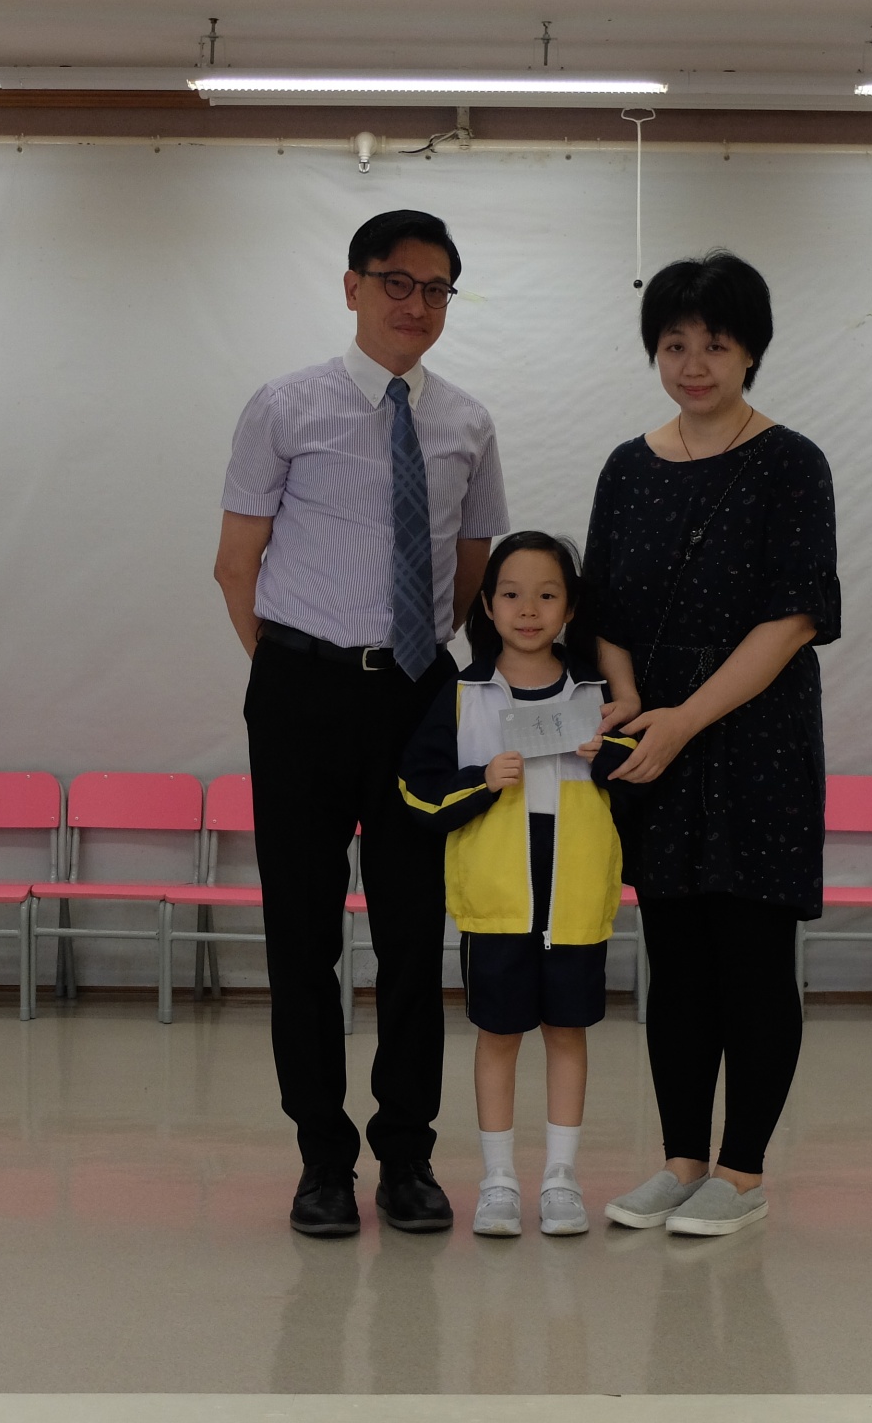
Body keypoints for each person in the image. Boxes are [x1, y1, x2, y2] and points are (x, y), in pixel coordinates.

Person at [213, 210, 509, 1237]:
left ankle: (409, 1157)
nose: (415, 304)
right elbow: (236, 565)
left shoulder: (468, 422)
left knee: (413, 940)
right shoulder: (283, 407)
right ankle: (321, 1162)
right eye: (396, 282)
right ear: (352, 287)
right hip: (302, 691)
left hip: (418, 701)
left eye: (435, 289)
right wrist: (293, 674)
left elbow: (473, 565)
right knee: (302, 941)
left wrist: (415, 663)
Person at [581, 250, 840, 1237]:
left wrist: (688, 716)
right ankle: (681, 1161)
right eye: (674, 345)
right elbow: (601, 608)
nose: (693, 365)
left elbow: (795, 617)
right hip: (654, 740)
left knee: (753, 959)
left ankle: (742, 1172)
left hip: (755, 733)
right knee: (675, 960)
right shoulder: (627, 466)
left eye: (715, 345)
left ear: (752, 353)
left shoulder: (792, 463)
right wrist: (630, 697)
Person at [397, 533, 636, 1237]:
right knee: (498, 1036)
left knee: (568, 1032)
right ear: (487, 604)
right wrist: (480, 781)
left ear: (570, 608)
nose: (528, 610)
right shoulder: (463, 693)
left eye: (547, 595)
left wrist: (606, 752)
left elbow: (642, 772)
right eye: (511, 594)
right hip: (496, 903)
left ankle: (561, 1178)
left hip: (575, 901)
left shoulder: (598, 694)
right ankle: (498, 1180)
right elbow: (417, 791)